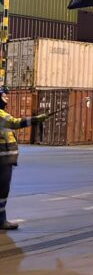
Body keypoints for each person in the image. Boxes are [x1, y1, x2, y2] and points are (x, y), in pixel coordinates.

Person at [0, 87, 47, 230]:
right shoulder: (1, 115)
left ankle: (1, 220)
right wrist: (35, 120)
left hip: (5, 161)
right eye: (4, 96)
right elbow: (15, 122)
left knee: (2, 191)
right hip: (2, 162)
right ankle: (1, 221)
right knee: (2, 191)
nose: (7, 98)